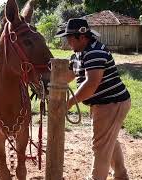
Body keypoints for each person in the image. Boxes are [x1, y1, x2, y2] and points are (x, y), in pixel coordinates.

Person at [55, 18, 131, 180]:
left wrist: (68, 104)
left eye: (70, 38)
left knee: (101, 146)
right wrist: (51, 85)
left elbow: (91, 84)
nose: (68, 42)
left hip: (111, 103)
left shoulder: (95, 52)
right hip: (105, 103)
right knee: (108, 141)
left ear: (82, 37)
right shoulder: (78, 54)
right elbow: (68, 75)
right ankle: (121, 175)